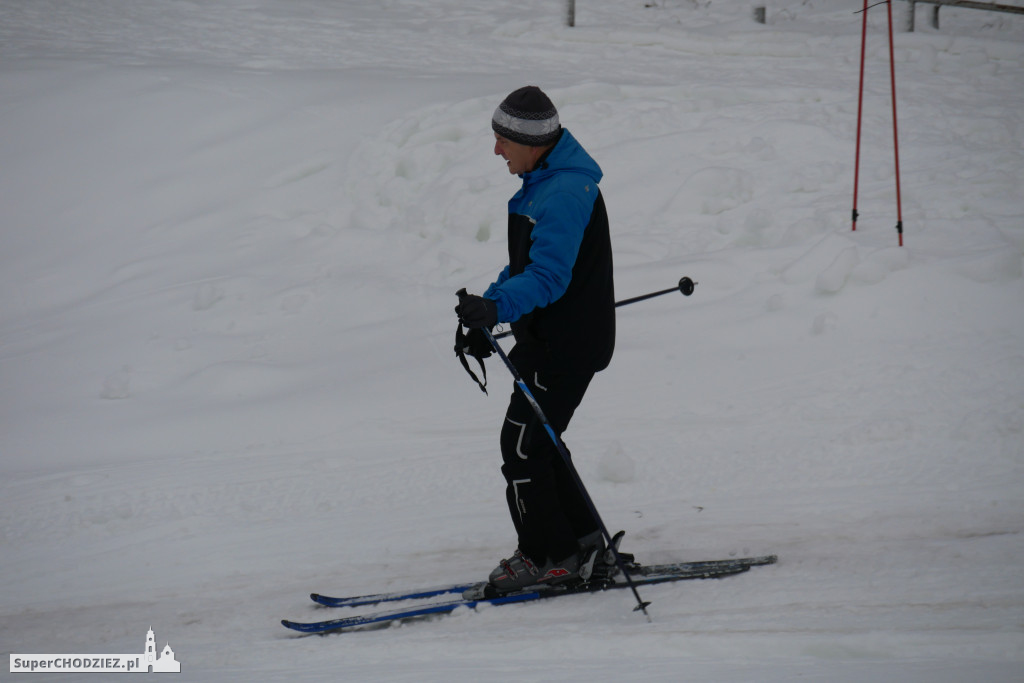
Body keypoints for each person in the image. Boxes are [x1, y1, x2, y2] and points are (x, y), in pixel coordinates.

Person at [455, 86, 615, 593]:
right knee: (539, 444)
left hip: (565, 346)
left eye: (502, 140)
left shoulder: (565, 192)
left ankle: (550, 556)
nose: (496, 151)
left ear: (530, 142)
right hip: (548, 339)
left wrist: (499, 307)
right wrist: (489, 309)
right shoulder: (544, 182)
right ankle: (585, 544)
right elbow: (525, 267)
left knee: (522, 449)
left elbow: (547, 279)